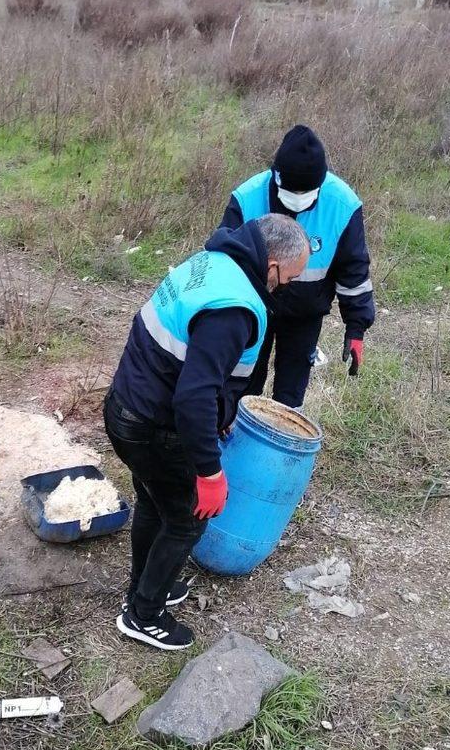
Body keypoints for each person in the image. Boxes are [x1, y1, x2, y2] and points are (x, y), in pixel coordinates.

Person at [104, 214, 309, 651]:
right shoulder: (234, 310)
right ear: (272, 264)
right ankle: (144, 615)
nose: (287, 287)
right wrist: (209, 472)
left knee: (156, 501)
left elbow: (192, 366)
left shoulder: (214, 263)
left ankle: (146, 586)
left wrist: (223, 410)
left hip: (127, 405)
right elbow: (193, 397)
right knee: (186, 519)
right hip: (153, 426)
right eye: (289, 278)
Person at [220, 125, 375, 408]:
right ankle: (233, 430)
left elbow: (353, 270)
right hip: (253, 312)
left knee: (291, 394)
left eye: (308, 192)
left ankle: (284, 436)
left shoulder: (343, 204)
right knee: (242, 385)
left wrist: (356, 327)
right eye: (292, 191)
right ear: (276, 177)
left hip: (306, 314)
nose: (299, 197)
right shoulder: (247, 197)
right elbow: (224, 266)